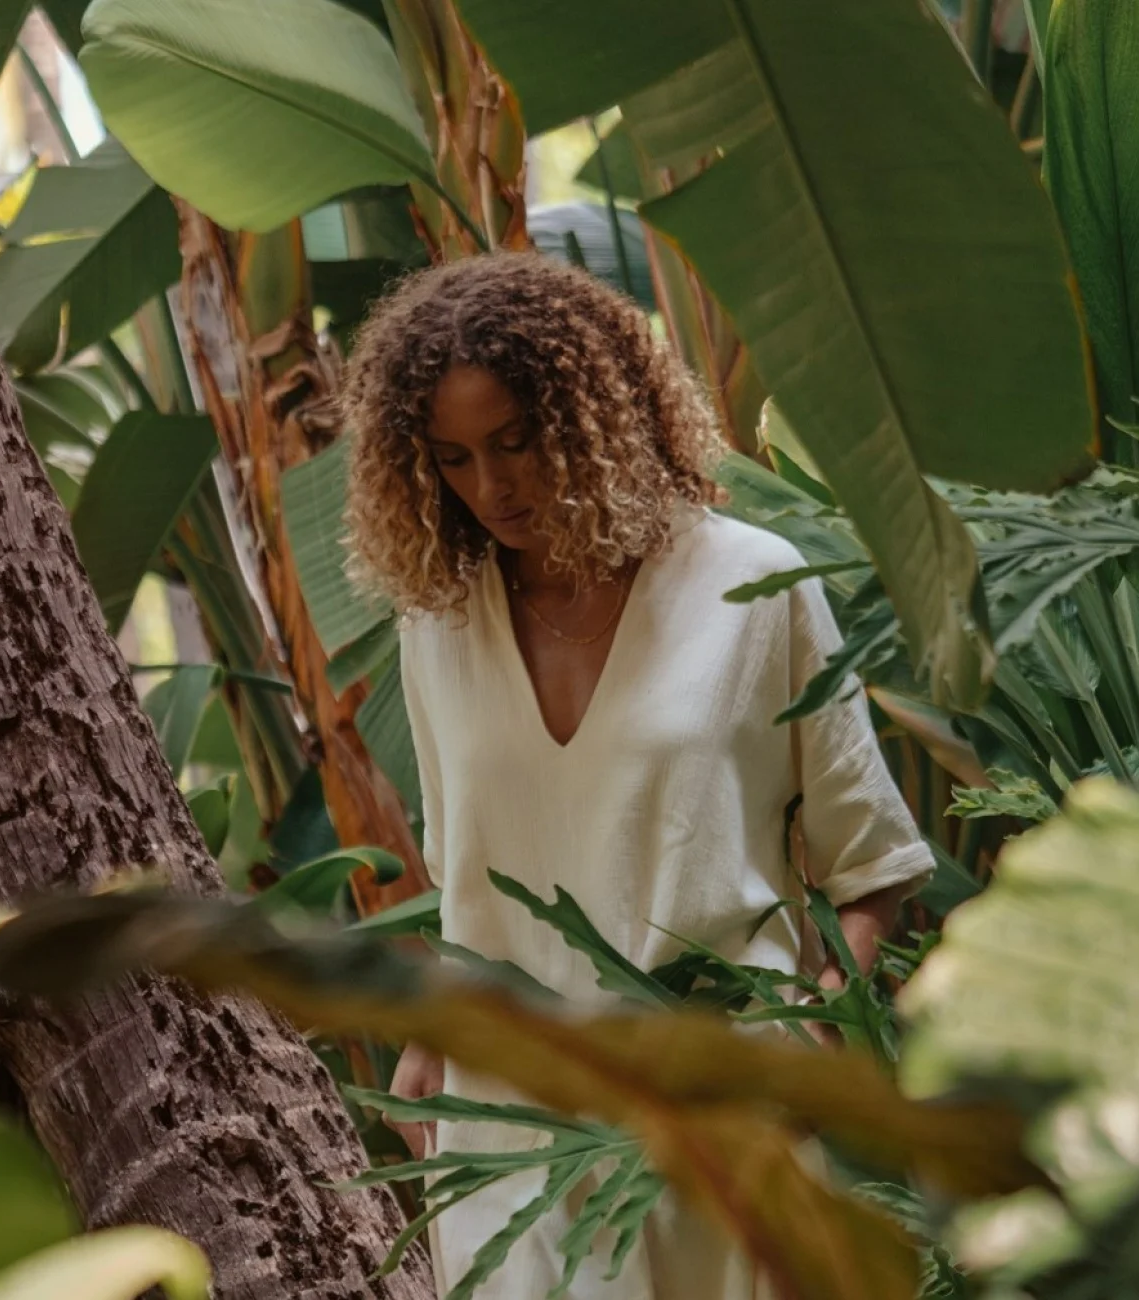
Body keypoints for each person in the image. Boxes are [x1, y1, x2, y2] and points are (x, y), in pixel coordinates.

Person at [340, 252, 932, 1298]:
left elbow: (875, 867)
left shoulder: (752, 585)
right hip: (511, 1129)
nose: (493, 486)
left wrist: (806, 1035)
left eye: (517, 440)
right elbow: (470, 877)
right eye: (455, 457)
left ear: (592, 411)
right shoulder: (436, 626)